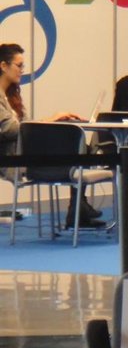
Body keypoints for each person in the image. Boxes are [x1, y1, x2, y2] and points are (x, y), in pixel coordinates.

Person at [0, 44, 98, 226]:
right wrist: (51, 119)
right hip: (14, 158)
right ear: (4, 66)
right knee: (76, 148)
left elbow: (25, 125)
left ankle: (78, 206)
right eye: (19, 65)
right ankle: (78, 208)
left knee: (79, 146)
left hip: (27, 152)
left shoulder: (12, 95)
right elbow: (11, 129)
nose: (22, 70)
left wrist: (54, 121)